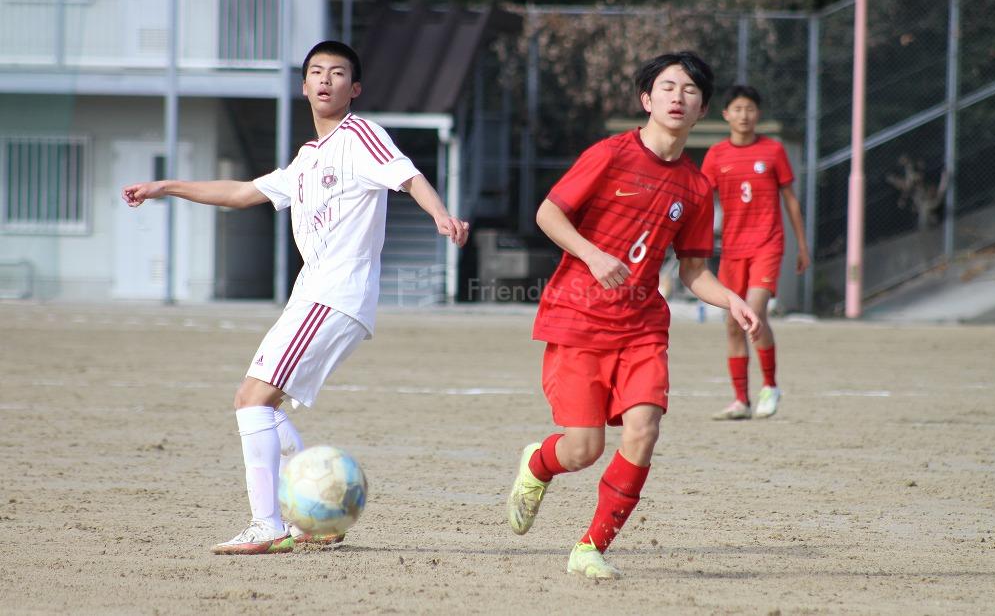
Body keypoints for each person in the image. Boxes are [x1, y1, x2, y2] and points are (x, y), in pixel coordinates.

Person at [121, 40, 469, 555]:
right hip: (315, 296)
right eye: (316, 72)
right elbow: (242, 194)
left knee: (251, 399)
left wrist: (439, 214)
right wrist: (166, 186)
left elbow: (408, 175)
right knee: (264, 403)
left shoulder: (361, 135)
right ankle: (316, 516)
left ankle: (269, 524)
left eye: (337, 73)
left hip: (334, 292)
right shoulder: (308, 158)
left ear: (355, 89)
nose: (325, 79)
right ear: (304, 86)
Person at [506, 52, 762, 579]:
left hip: (643, 324)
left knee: (644, 430)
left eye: (689, 90)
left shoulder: (696, 188)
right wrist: (593, 254)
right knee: (583, 449)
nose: (677, 96)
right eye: (666, 87)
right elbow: (548, 213)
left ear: (702, 108)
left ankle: (590, 548)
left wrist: (731, 298)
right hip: (579, 317)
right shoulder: (610, 154)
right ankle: (538, 463)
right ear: (646, 100)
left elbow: (694, 271)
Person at [700, 85, 809, 420]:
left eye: (749, 109)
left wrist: (802, 245)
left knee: (755, 313)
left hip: (767, 244)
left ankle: (770, 386)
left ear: (757, 114)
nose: (743, 115)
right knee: (733, 324)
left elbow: (790, 200)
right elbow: (702, 203)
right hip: (732, 249)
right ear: (726, 115)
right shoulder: (716, 155)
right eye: (737, 109)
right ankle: (740, 401)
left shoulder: (773, 151)